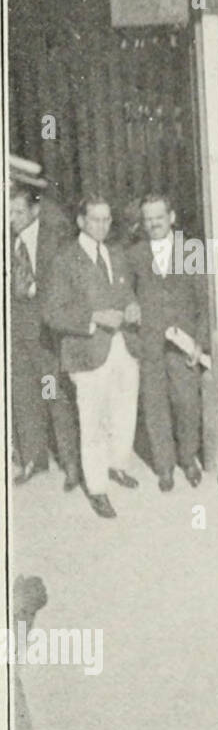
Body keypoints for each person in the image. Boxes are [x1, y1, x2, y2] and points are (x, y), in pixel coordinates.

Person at [43, 195, 142, 519]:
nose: (102, 225)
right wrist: (94, 318)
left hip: (122, 346)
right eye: (95, 219)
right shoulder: (64, 260)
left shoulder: (116, 253)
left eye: (107, 220)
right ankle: (98, 488)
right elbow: (52, 313)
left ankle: (118, 465)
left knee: (124, 412)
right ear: (81, 222)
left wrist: (131, 305)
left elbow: (125, 291)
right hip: (87, 351)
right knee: (93, 423)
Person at [127, 194, 209, 492]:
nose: (153, 224)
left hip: (183, 345)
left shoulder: (191, 250)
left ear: (171, 217)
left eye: (158, 217)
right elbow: (127, 297)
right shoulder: (134, 255)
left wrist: (200, 343)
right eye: (147, 219)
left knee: (187, 404)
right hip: (149, 346)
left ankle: (188, 459)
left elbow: (204, 303)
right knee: (154, 406)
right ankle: (164, 467)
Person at [8, 168, 80, 490]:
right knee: (24, 397)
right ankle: (34, 460)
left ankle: (71, 465)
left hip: (46, 334)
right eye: (7, 211)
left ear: (36, 211)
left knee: (54, 396)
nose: (11, 218)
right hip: (16, 333)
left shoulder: (55, 237)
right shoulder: (7, 239)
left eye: (18, 211)